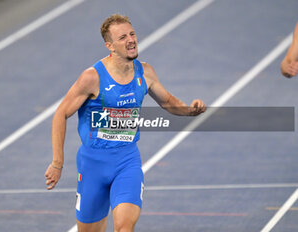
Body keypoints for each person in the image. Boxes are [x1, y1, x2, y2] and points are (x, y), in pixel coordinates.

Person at [44, 14, 206, 232]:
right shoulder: (92, 78)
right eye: (122, 37)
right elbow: (60, 114)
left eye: (132, 34)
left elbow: (167, 101)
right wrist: (57, 163)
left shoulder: (145, 72)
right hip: (93, 165)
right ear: (109, 46)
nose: (131, 40)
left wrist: (189, 111)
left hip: (127, 161)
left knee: (124, 227)